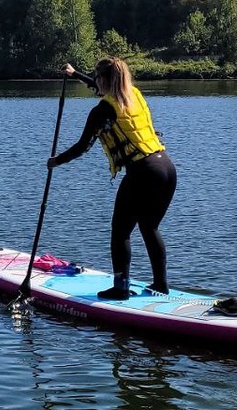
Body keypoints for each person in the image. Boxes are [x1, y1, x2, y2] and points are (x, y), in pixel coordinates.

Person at [47, 57, 176, 299]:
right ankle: (161, 285)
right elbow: (100, 90)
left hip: (143, 172)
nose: (95, 82)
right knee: (149, 227)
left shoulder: (103, 110)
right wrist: (75, 74)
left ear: (105, 79)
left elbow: (82, 147)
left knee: (121, 231)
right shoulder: (134, 94)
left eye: (97, 77)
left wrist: (56, 161)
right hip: (166, 167)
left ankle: (120, 289)